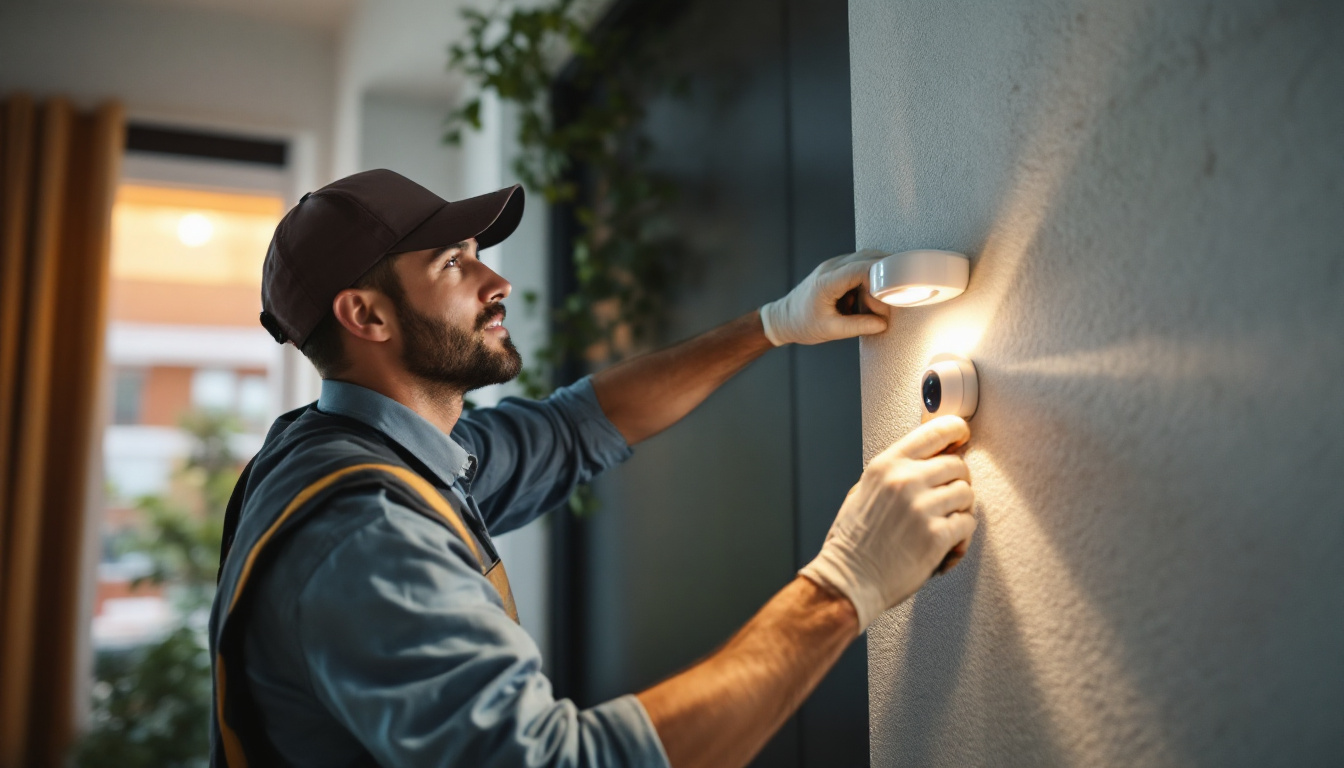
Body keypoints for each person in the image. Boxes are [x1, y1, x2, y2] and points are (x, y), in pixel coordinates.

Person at [208, 170, 976, 768]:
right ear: (366, 316)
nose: (495, 282)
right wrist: (846, 585)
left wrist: (773, 325)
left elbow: (579, 425)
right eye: (453, 263)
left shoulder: (369, 450)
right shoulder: (365, 537)